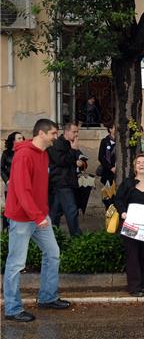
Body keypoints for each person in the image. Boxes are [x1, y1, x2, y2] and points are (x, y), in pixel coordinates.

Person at [3, 119, 71, 323]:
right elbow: (22, 190)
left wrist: (42, 214)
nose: (55, 137)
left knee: (53, 254)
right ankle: (13, 308)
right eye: (53, 133)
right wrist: (37, 216)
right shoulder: (23, 155)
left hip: (40, 216)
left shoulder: (43, 155)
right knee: (16, 263)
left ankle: (47, 297)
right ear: (41, 134)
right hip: (23, 218)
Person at [115, 154, 144, 297]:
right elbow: (118, 200)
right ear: (135, 167)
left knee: (143, 255)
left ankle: (141, 285)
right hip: (131, 225)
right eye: (138, 163)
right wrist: (123, 212)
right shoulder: (128, 184)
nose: (141, 165)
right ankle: (134, 287)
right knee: (133, 255)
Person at [47, 122, 84, 236]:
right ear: (66, 132)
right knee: (71, 209)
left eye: (77, 132)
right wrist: (73, 151)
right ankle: (76, 236)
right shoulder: (57, 144)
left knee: (56, 212)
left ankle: (53, 235)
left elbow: (79, 155)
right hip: (61, 181)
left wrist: (80, 160)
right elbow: (61, 161)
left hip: (68, 181)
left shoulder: (71, 143)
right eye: (74, 132)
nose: (76, 134)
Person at [1, 131, 25, 228]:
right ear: (13, 141)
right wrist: (7, 181)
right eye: (19, 138)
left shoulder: (24, 152)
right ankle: (6, 229)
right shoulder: (6, 153)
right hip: (10, 185)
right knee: (9, 208)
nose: (22, 140)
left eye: (22, 138)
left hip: (22, 184)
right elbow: (1, 169)